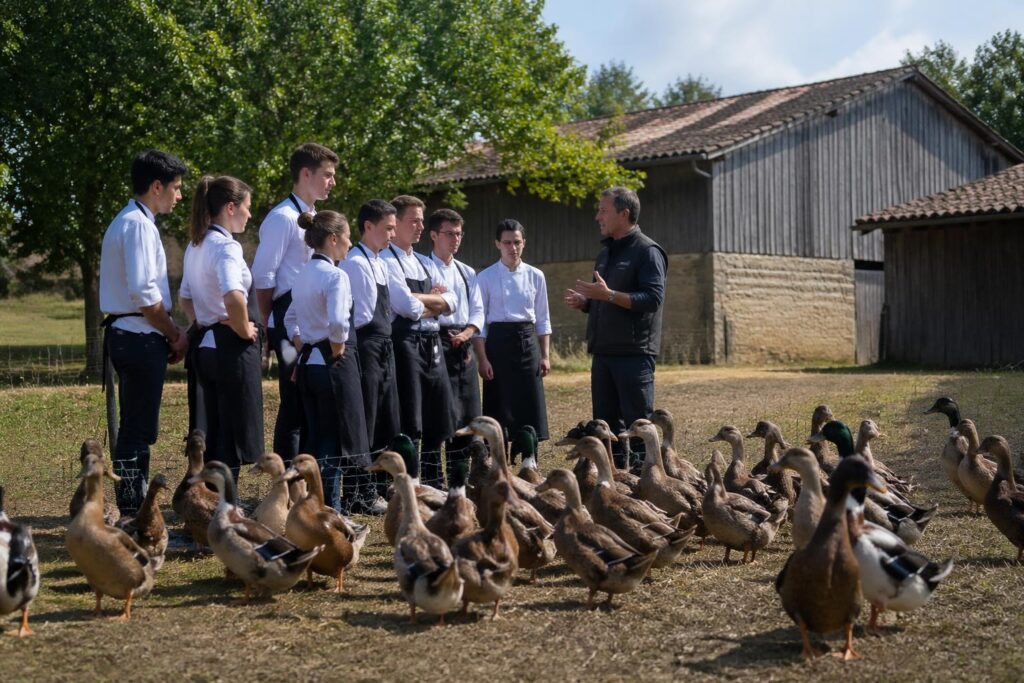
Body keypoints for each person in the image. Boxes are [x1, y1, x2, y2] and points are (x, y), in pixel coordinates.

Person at [99, 149, 189, 516]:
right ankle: (134, 510)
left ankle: (135, 507)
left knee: (139, 427)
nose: (179, 196)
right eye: (177, 187)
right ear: (157, 186)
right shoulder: (137, 225)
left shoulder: (134, 220)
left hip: (135, 333)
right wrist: (174, 333)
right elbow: (145, 296)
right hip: (137, 334)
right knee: (137, 430)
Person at [564, 186, 666, 470]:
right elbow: (606, 298)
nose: (598, 216)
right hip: (604, 353)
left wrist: (606, 295)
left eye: (603, 210)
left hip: (634, 355)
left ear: (624, 213)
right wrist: (587, 302)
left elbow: (652, 299)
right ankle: (615, 481)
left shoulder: (648, 251)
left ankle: (647, 481)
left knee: (637, 426)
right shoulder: (605, 253)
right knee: (605, 427)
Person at [283, 211, 377, 513]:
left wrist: (306, 343)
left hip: (309, 364)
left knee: (315, 435)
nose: (350, 244)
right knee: (333, 441)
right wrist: (336, 349)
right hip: (332, 365)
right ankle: (329, 509)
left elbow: (289, 319)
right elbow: (338, 322)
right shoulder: (336, 275)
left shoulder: (301, 275)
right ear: (333, 238)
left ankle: (310, 505)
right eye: (348, 237)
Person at [251, 143, 338, 463]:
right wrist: (269, 323)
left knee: (314, 398)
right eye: (327, 175)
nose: (333, 182)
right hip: (286, 318)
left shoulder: (315, 217)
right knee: (294, 401)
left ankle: (309, 476)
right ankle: (286, 480)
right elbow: (263, 275)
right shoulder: (282, 218)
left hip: (315, 315)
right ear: (305, 173)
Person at [179, 176, 264, 481]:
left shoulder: (196, 244)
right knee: (233, 430)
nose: (250, 215)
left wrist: (204, 319)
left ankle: (210, 496)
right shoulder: (227, 247)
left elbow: (185, 297)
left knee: (211, 426)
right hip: (230, 348)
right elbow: (233, 294)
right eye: (247, 207)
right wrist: (243, 329)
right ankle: (226, 501)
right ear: (231, 207)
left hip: (205, 345)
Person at [381, 196, 457, 489]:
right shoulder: (387, 260)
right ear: (396, 223)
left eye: (422, 221)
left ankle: (434, 478)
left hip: (432, 342)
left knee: (438, 413)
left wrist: (425, 301)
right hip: (405, 343)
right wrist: (434, 302)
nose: (420, 226)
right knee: (411, 416)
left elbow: (453, 302)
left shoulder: (425, 262)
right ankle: (409, 481)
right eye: (413, 220)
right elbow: (405, 307)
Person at [338, 199, 399, 513]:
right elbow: (359, 316)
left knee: (384, 417)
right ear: (368, 227)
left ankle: (376, 484)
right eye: (388, 228)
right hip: (366, 347)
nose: (393, 233)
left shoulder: (380, 262)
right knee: (366, 419)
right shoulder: (356, 263)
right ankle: (358, 490)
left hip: (384, 346)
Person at [473, 219, 551, 444]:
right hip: (497, 345)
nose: (512, 248)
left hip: (527, 343)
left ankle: (530, 458)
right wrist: (482, 358)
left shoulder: (536, 276)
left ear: (524, 243)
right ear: (497, 244)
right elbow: (480, 323)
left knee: (529, 403)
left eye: (517, 242)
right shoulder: (485, 277)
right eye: (507, 242)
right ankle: (498, 460)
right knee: (499, 404)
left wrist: (545, 355)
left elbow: (543, 318)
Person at [428, 208, 485, 472]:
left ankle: (461, 472)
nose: (455, 239)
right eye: (449, 234)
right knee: (440, 411)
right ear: (433, 235)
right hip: (436, 340)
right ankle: (432, 475)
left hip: (464, 343)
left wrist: (468, 332)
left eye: (459, 234)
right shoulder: (424, 267)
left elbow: (478, 310)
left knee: (468, 411)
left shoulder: (467, 272)